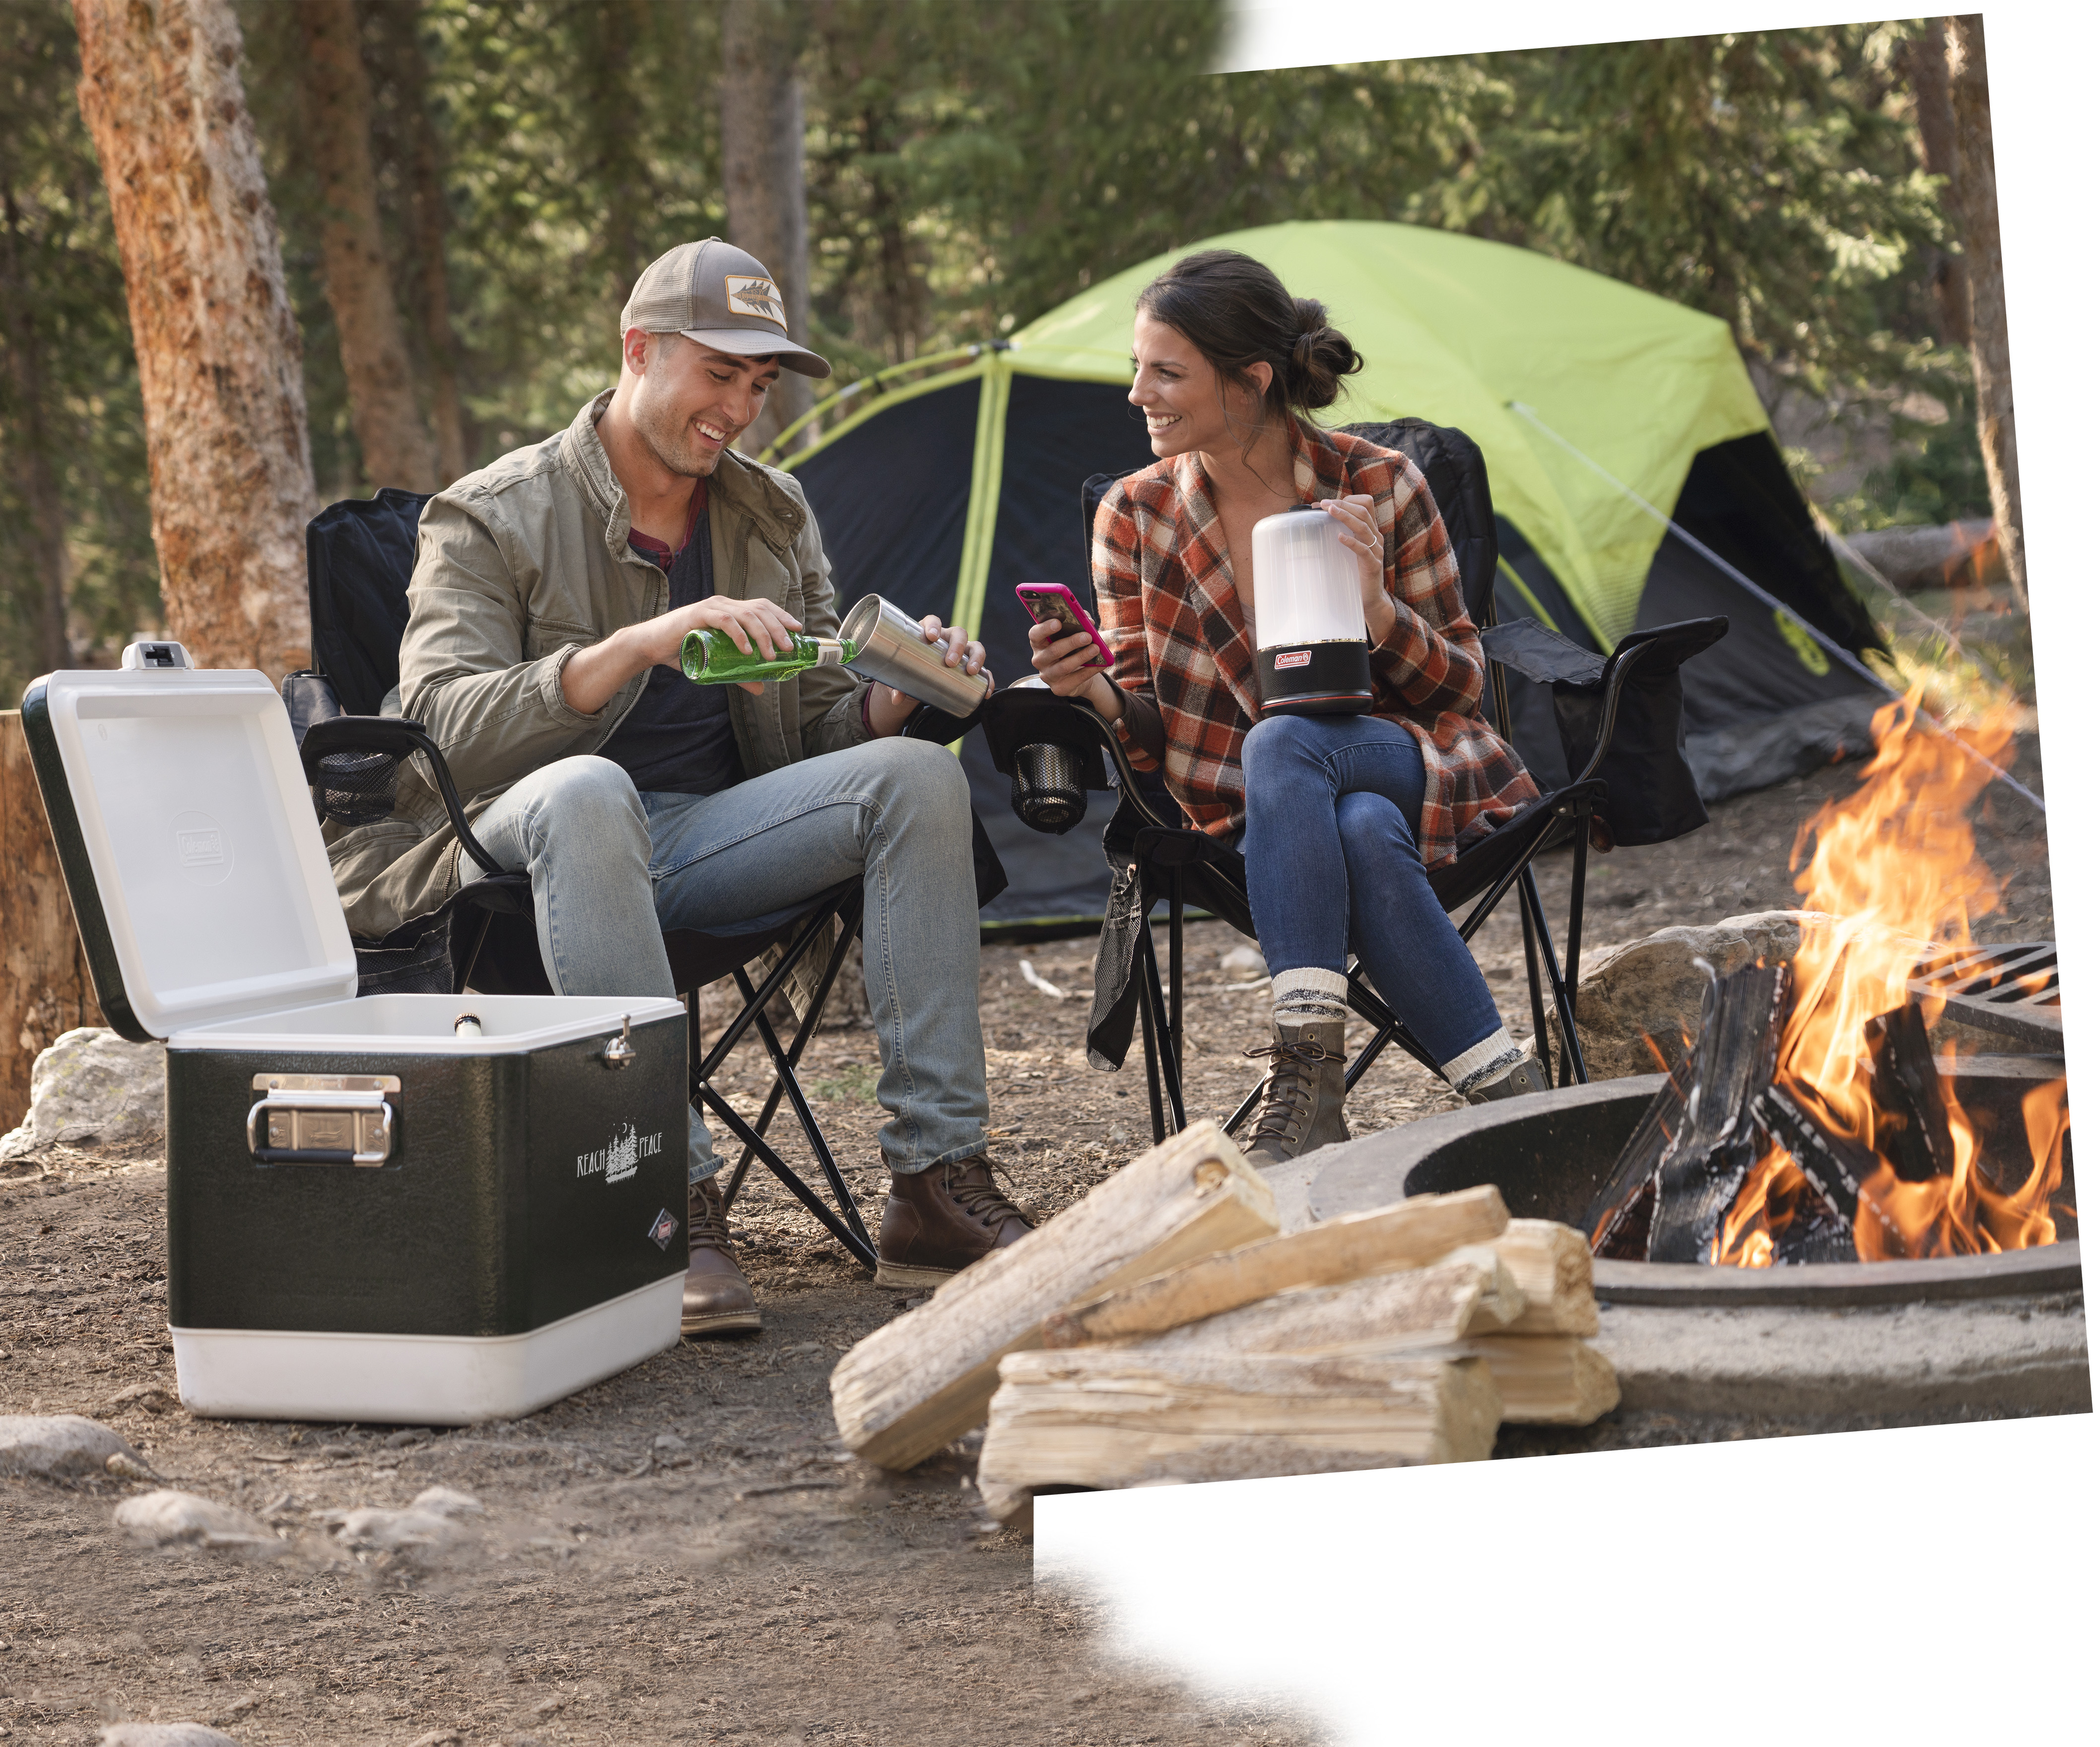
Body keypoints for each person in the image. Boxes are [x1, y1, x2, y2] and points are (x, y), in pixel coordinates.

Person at [326, 238, 1031, 1331]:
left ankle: (934, 1186)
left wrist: (897, 695)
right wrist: (642, 642)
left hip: (704, 841)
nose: (739, 408)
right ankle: (666, 1194)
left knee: (909, 777)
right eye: (719, 373)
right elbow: (441, 733)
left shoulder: (771, 513)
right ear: (637, 350)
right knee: (586, 790)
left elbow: (806, 735)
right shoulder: (491, 514)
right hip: (520, 852)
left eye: (757, 384)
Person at [1029, 249, 1547, 1165]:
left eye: (1165, 372)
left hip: (1415, 758)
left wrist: (1380, 610)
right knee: (1348, 823)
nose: (1137, 392)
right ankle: (1515, 1099)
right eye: (1136, 368)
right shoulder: (1134, 517)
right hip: (1258, 815)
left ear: (1252, 380)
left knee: (1286, 746)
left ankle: (1305, 1074)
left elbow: (1464, 687)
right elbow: (1146, 728)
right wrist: (1094, 693)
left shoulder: (1380, 487)